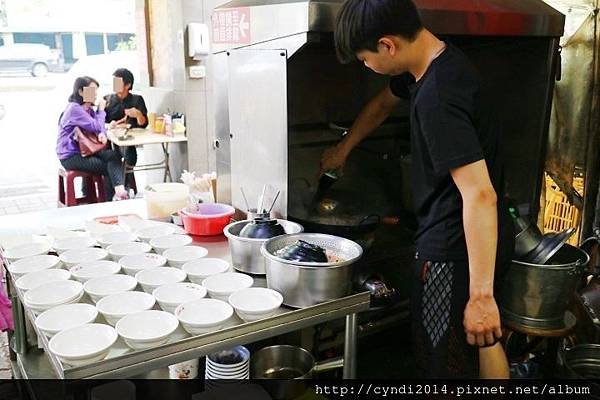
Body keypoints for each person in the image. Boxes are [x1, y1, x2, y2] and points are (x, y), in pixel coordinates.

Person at [322, 0, 514, 378]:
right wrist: (343, 149)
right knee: (484, 342)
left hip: (452, 251)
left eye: (365, 58)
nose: (367, 67)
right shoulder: (440, 66)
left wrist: (481, 296)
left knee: (445, 366)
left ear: (388, 45)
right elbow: (381, 105)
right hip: (481, 241)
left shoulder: (437, 96)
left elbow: (479, 194)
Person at [57, 76, 129, 201]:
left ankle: (118, 193)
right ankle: (113, 198)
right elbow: (96, 125)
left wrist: (102, 132)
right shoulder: (74, 109)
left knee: (114, 156)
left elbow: (97, 127)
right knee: (109, 167)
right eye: (92, 90)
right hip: (71, 156)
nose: (95, 94)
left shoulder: (88, 109)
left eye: (96, 91)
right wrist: (101, 111)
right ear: (80, 92)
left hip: (86, 151)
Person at [104, 68, 148, 176]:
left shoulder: (137, 100)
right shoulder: (107, 100)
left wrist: (138, 114)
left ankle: (124, 184)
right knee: (112, 156)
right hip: (109, 140)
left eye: (117, 82)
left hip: (128, 139)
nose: (114, 84)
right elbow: (100, 122)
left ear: (128, 85)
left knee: (129, 154)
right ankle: (121, 184)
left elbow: (144, 124)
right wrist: (111, 125)